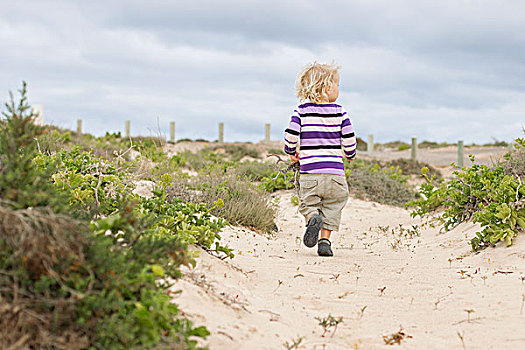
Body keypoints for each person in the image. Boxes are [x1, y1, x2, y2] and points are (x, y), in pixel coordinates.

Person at [284, 61, 357, 257]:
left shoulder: (301, 111)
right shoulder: (340, 112)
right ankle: (325, 241)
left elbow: (291, 134)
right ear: (326, 88)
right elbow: (349, 138)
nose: (338, 90)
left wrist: (290, 151)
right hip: (335, 174)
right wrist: (350, 154)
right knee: (333, 206)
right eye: (337, 85)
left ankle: (312, 218)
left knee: (309, 202)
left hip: (310, 172)